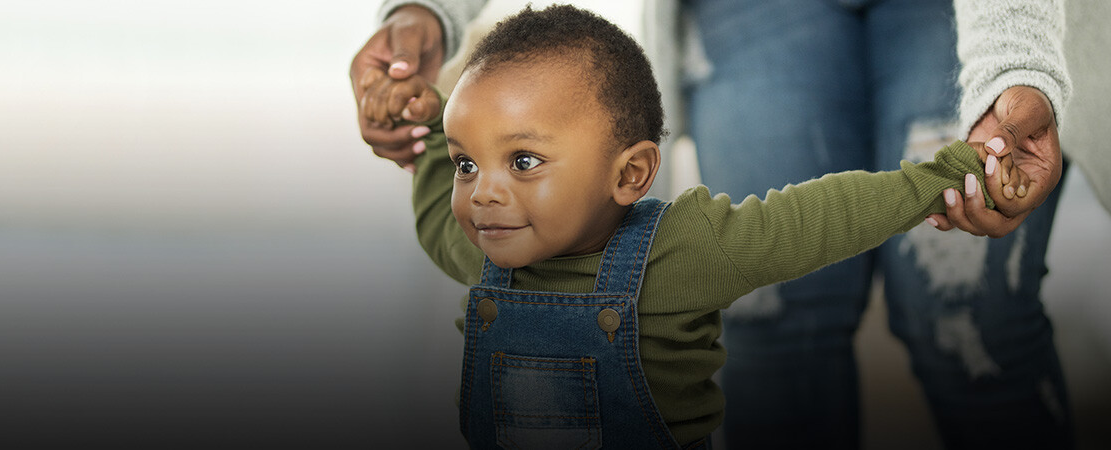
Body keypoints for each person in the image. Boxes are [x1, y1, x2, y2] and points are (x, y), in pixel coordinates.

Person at [350, 1, 1073, 448]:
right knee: (779, 334)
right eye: (471, 167)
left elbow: (814, 220)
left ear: (633, 174)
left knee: (967, 320)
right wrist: (414, 104)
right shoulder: (472, 247)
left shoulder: (683, 251)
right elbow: (432, 185)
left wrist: (948, 174)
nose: (484, 196)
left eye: (525, 162)